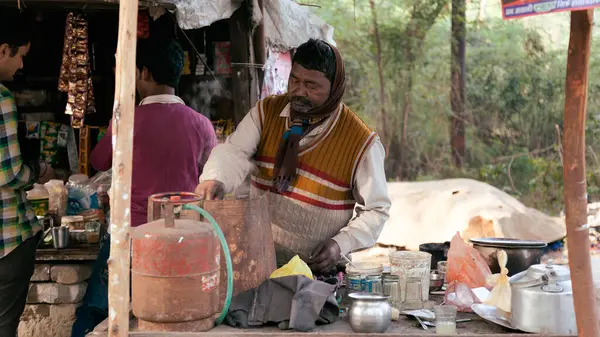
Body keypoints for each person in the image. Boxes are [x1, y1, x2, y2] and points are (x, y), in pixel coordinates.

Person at [196, 39, 391, 274]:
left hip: (317, 272)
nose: (299, 91)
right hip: (256, 261)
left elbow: (376, 209)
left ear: (335, 88)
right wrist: (216, 178)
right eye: (295, 80)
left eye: (312, 85)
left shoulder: (361, 142)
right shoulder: (266, 112)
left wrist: (341, 245)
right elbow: (234, 151)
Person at [71, 37, 217, 336]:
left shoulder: (127, 119)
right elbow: (210, 174)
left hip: (129, 237)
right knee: (173, 314)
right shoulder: (201, 124)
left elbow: (99, 161)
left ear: (145, 73)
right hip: (181, 238)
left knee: (96, 310)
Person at [0, 10, 54, 337]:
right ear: (3, 49)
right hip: (7, 241)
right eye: (20, 55)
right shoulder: (2, 99)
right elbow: (9, 174)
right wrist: (39, 170)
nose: (21, 65)